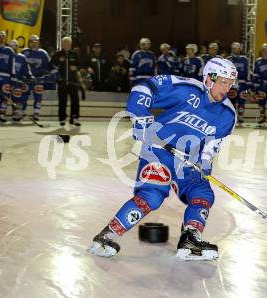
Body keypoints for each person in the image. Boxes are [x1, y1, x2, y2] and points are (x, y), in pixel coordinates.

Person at [88, 58, 238, 261]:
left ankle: (190, 239)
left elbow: (210, 149)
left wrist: (204, 166)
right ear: (209, 78)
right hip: (159, 149)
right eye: (223, 82)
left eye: (230, 84)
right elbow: (144, 88)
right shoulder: (187, 89)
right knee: (152, 195)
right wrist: (140, 116)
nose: (227, 88)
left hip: (187, 160)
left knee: (202, 193)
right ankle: (106, 238)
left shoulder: (228, 115)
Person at [50, 36, 82, 126]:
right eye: (65, 44)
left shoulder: (75, 54)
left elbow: (81, 65)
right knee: (62, 101)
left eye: (68, 44)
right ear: (62, 45)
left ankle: (74, 118)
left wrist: (76, 67)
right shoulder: (58, 54)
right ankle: (62, 118)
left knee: (75, 101)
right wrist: (59, 62)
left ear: (71, 45)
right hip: (62, 82)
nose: (67, 45)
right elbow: (51, 66)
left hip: (73, 82)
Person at [21, 35, 51, 121]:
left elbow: (47, 66)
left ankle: (36, 113)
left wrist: (44, 74)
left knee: (38, 97)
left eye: (36, 42)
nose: (34, 44)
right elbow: (21, 65)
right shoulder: (24, 52)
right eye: (32, 42)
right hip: (27, 78)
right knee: (24, 96)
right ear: (29, 43)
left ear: (38, 43)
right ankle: (22, 112)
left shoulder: (43, 53)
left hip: (39, 78)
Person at [9, 39, 33, 122]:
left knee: (19, 95)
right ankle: (14, 113)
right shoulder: (8, 56)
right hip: (8, 80)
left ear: (18, 47)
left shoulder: (22, 57)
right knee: (8, 98)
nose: (14, 48)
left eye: (15, 46)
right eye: (12, 47)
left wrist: (29, 75)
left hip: (17, 81)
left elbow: (27, 68)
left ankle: (18, 114)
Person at [226, 42, 250, 125]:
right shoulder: (228, 59)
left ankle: (241, 117)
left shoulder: (245, 59)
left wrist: (248, 83)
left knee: (242, 101)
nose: (236, 50)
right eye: (235, 48)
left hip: (242, 83)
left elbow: (247, 72)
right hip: (232, 83)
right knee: (232, 101)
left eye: (238, 48)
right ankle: (232, 118)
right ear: (232, 49)